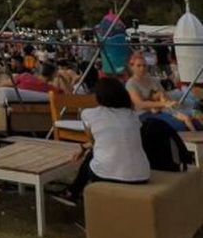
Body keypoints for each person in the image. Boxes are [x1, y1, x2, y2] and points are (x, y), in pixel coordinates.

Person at [53, 76, 150, 205]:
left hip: (107, 174)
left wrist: (84, 148)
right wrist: (84, 147)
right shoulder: (132, 116)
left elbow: (94, 142)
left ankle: (73, 192)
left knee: (93, 155)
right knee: (101, 151)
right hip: (141, 174)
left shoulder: (89, 114)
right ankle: (72, 191)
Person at [126, 51, 200, 131]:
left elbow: (164, 95)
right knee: (180, 125)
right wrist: (164, 104)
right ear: (132, 67)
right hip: (145, 113)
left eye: (144, 66)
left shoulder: (153, 80)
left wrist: (171, 102)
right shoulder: (131, 84)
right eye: (139, 66)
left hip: (161, 109)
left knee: (195, 118)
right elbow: (140, 104)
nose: (142, 68)